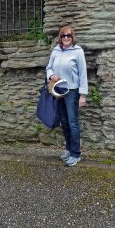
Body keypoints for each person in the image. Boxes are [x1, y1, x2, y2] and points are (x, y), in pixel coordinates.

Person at [46, 26, 88, 167]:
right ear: (60, 37)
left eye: (68, 35)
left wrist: (82, 95)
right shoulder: (56, 50)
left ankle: (76, 154)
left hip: (72, 91)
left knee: (72, 123)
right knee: (64, 121)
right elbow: (49, 67)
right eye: (63, 35)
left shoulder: (78, 51)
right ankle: (69, 150)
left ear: (72, 37)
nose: (66, 38)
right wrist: (51, 75)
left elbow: (83, 74)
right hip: (58, 91)